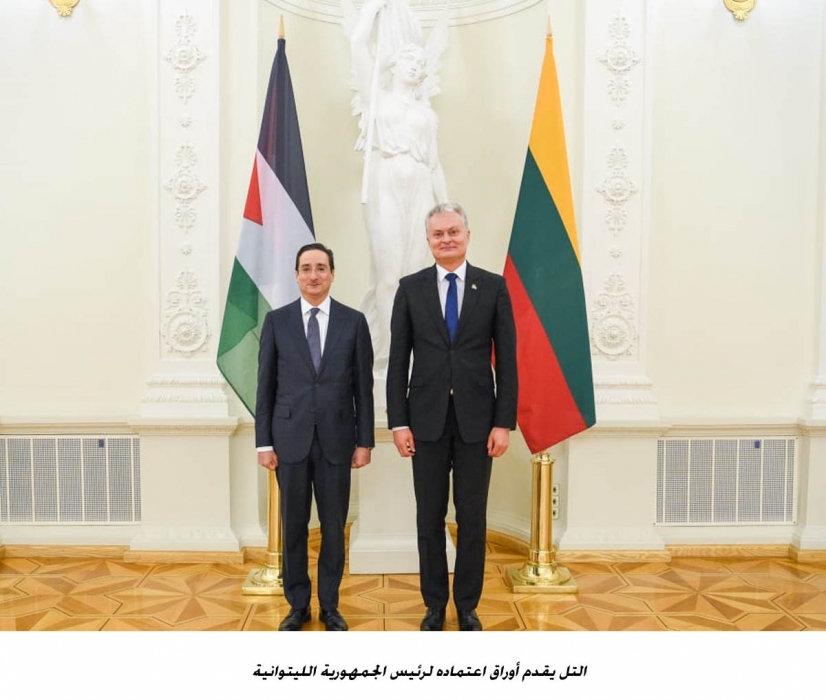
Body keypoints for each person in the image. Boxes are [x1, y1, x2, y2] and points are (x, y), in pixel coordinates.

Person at [386, 203, 518, 631]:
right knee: (429, 518)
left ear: (467, 235)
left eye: (453, 231)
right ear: (428, 240)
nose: (446, 239)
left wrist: (503, 422)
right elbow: (398, 361)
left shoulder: (493, 287)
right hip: (424, 423)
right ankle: (433, 605)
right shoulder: (410, 289)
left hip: (479, 424)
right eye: (438, 233)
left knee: (472, 519)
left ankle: (467, 606)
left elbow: (508, 361)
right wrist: (398, 422)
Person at [255, 243, 374, 631]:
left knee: (334, 529)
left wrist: (364, 441)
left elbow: (363, 388)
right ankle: (298, 605)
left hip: (338, 442)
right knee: (293, 527)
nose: (313, 275)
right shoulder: (277, 321)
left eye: (321, 267)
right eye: (306, 268)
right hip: (288, 441)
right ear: (296, 275)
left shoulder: (354, 322)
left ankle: (330, 605)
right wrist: (263, 442)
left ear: (332, 274)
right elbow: (265, 386)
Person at [347, 0, 450, 380]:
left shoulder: (426, 114)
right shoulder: (376, 98)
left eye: (420, 62)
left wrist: (447, 210)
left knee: (418, 277)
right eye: (409, 60)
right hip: (385, 183)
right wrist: (372, 10)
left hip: (421, 187)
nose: (415, 66)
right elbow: (358, 43)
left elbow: (435, 164)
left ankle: (415, 357)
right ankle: (391, 358)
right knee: (389, 276)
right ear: (391, 65)